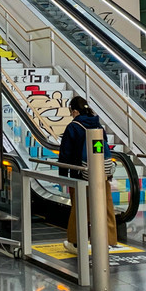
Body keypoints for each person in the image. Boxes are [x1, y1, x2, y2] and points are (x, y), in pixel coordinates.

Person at [58, 95, 117, 253]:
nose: (71, 115)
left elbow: (65, 154)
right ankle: (108, 242)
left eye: (71, 112)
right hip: (100, 175)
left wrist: (63, 175)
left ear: (75, 111)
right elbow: (104, 151)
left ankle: (76, 243)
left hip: (80, 176)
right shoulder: (98, 126)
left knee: (80, 209)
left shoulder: (73, 127)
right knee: (105, 207)